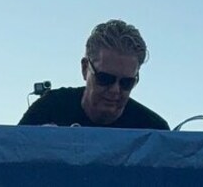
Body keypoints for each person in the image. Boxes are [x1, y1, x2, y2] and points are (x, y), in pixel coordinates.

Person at [19, 19, 169, 130]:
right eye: (105, 79)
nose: (115, 90)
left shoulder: (153, 130)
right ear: (85, 69)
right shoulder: (49, 109)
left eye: (126, 83)